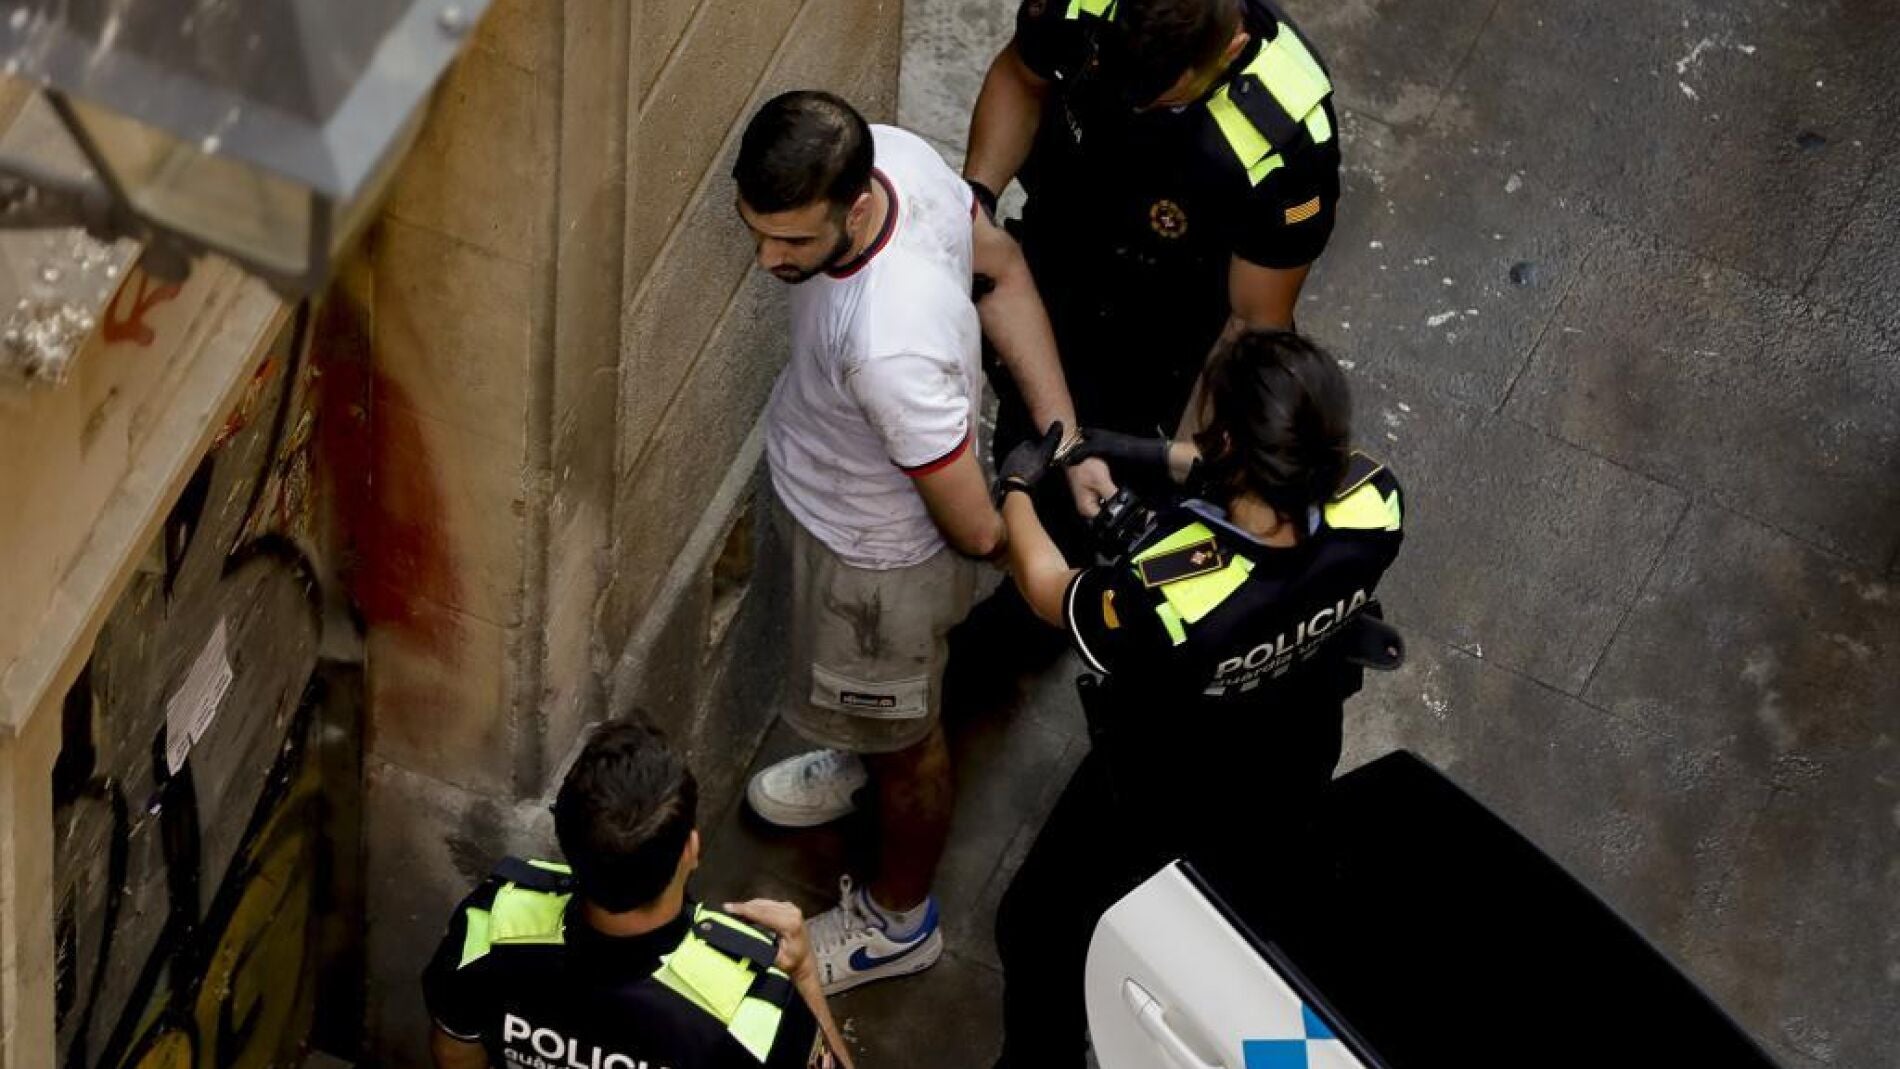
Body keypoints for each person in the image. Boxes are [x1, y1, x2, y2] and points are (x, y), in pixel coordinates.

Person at [729, 91, 1112, 994]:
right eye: (757, 231)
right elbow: (1004, 271)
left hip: (874, 569)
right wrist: (1068, 438)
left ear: (857, 207)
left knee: (910, 745)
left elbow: (974, 526)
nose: (767, 259)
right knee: (885, 720)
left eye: (790, 241)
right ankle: (867, 742)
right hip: (843, 513)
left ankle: (897, 922)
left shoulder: (889, 349)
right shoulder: (899, 158)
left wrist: (1029, 515)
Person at [988, 330, 1404, 1067]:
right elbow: (1267, 500)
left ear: (1231, 446)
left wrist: (1017, 490)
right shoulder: (1376, 505)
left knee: (1035, 925)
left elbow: (1049, 587)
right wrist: (1143, 455)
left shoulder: (1171, 599)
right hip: (1297, 751)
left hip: (1166, 788)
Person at [966, 0, 1342, 552]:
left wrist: (1180, 467)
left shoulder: (1285, 139)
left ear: (1230, 50)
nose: (1132, 105)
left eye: (1157, 95)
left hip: (1169, 325)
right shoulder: (1083, 7)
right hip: (1063, 243)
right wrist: (975, 204)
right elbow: (1023, 76)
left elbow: (1252, 322)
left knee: (1111, 498)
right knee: (1028, 437)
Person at [422, 720, 852, 1069]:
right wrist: (804, 976)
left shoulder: (490, 926)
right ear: (691, 848)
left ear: (568, 841)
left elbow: (456, 1053)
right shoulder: (751, 1007)